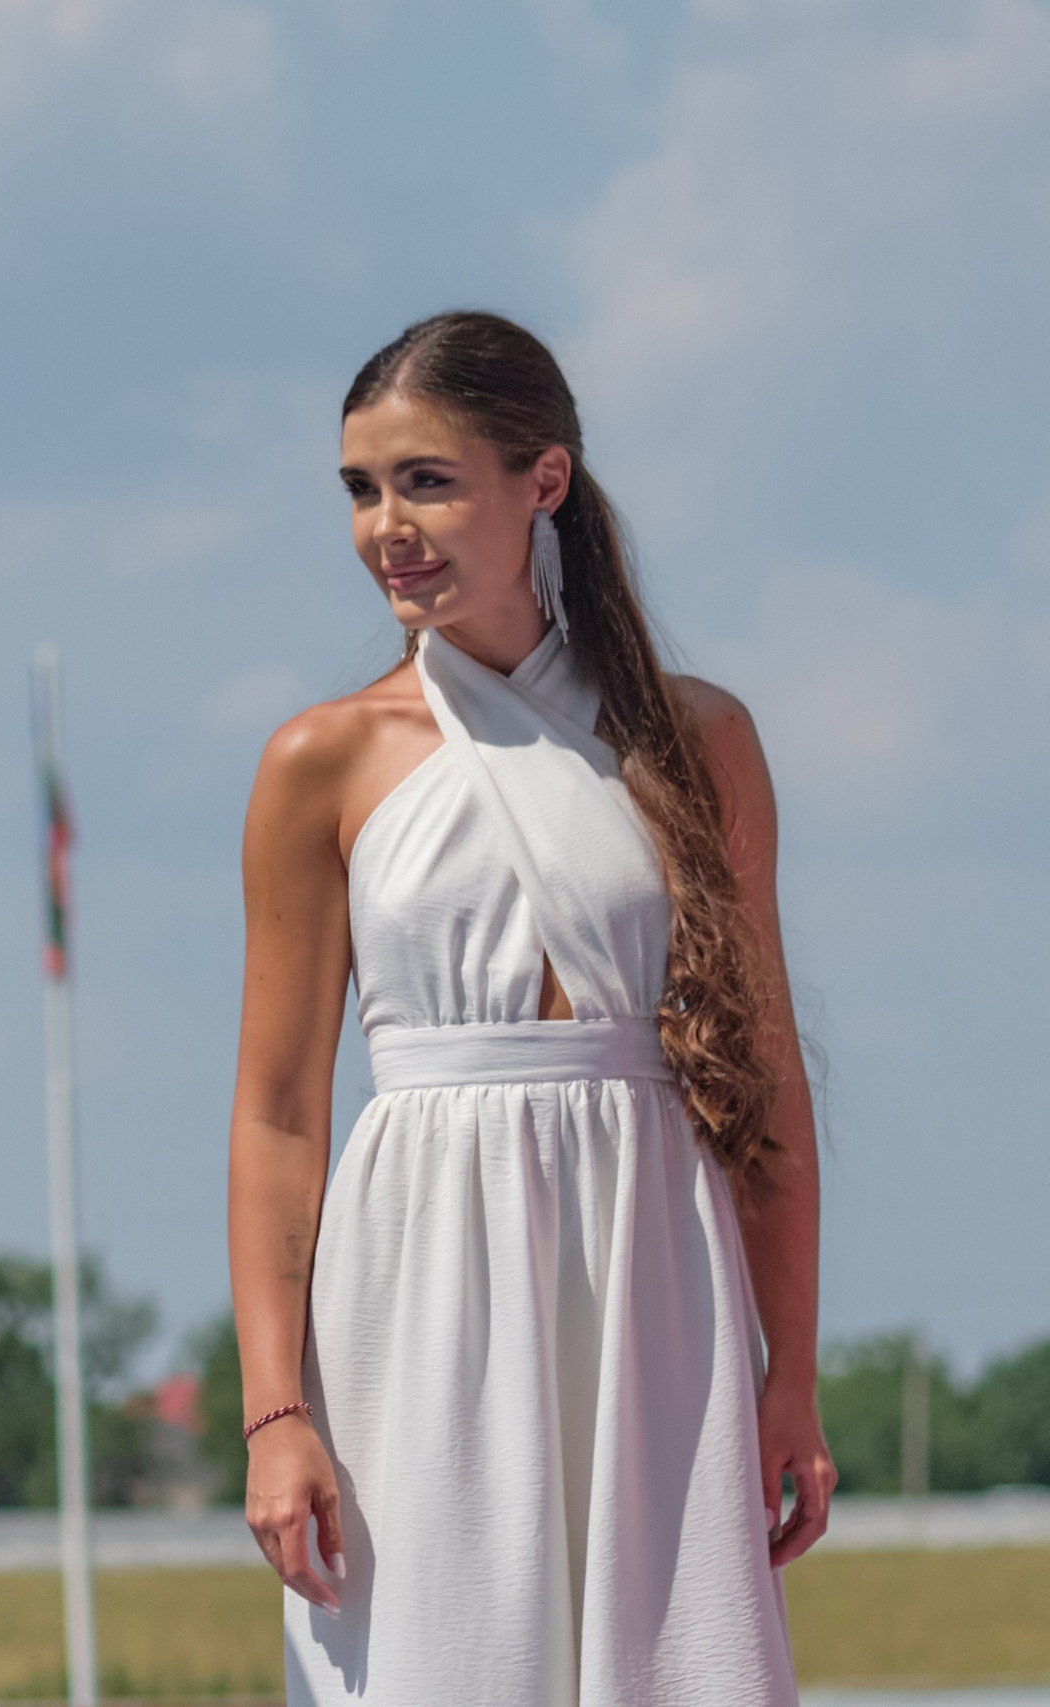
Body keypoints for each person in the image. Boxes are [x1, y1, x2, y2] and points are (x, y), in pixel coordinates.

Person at [226, 311, 835, 1703]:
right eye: (361, 489)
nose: (388, 525)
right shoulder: (322, 760)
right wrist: (274, 1415)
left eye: (427, 480)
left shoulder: (699, 742)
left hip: (657, 1276)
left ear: (542, 481)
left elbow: (768, 1081)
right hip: (419, 1277)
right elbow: (274, 1114)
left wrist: (787, 1372)